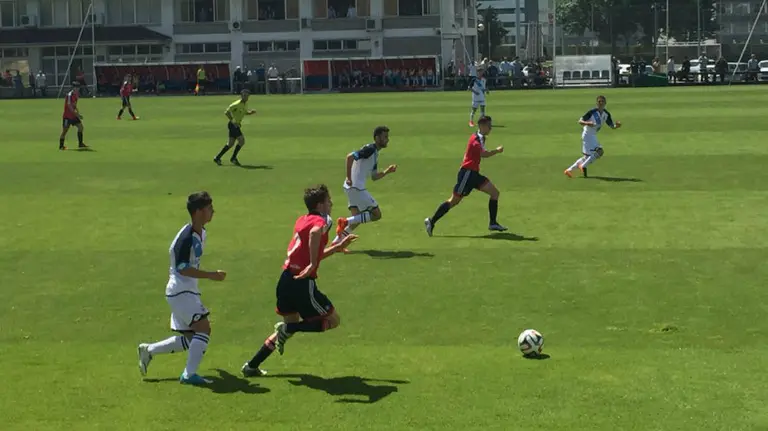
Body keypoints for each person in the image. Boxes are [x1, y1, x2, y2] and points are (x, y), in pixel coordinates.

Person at [241, 185, 357, 377]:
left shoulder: (302, 220)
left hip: (286, 279)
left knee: (289, 324)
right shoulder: (322, 220)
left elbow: (308, 251)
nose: (331, 203)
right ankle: (288, 328)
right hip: (302, 283)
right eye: (328, 201)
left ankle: (251, 366)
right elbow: (315, 235)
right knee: (332, 320)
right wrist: (312, 265)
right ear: (320, 205)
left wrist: (336, 248)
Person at [137, 191, 227, 385]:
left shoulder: (201, 232)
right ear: (198, 211)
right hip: (180, 291)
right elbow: (183, 268)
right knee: (204, 329)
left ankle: (148, 350)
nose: (213, 211)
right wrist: (211, 275)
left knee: (191, 338)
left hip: (187, 291)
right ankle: (188, 375)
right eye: (209, 208)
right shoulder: (185, 237)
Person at [424, 116, 506, 236]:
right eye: (489, 126)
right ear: (482, 126)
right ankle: (431, 221)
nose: (490, 128)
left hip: (473, 174)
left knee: (495, 193)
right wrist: (497, 151)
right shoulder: (476, 141)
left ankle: (493, 223)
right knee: (454, 201)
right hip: (467, 174)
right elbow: (484, 154)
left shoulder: (480, 138)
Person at [332, 126, 396, 247]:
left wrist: (387, 171)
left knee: (357, 220)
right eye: (385, 137)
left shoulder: (375, 153)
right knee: (376, 215)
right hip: (356, 187)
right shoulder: (370, 149)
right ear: (377, 138)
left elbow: (374, 177)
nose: (387, 140)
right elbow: (350, 157)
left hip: (351, 188)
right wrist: (349, 177)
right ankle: (344, 221)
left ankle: (336, 244)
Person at [564, 95, 622, 178]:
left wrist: (617, 126)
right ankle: (583, 166)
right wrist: (588, 123)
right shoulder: (592, 112)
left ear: (605, 103)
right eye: (599, 102)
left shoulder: (606, 114)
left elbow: (612, 126)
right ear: (596, 103)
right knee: (600, 152)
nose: (601, 103)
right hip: (587, 134)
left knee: (587, 157)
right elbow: (580, 121)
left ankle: (568, 170)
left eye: (602, 101)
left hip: (592, 135)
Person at [213, 89, 255, 166]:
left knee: (230, 144)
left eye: (247, 96)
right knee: (241, 141)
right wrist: (234, 122)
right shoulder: (236, 104)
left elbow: (243, 112)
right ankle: (233, 158)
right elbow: (226, 112)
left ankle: (217, 157)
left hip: (235, 125)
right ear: (241, 96)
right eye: (244, 95)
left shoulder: (245, 104)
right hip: (233, 125)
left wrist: (250, 112)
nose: (246, 97)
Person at [59, 82, 88, 150]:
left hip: (73, 116)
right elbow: (69, 105)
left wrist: (77, 112)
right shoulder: (69, 95)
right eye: (76, 87)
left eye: (78, 88)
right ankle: (61, 146)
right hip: (67, 116)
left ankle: (80, 144)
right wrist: (76, 114)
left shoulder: (76, 95)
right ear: (73, 87)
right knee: (65, 131)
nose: (77, 89)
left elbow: (74, 105)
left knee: (80, 127)